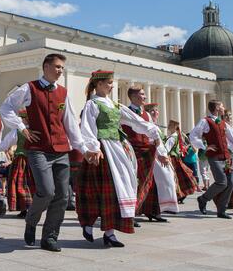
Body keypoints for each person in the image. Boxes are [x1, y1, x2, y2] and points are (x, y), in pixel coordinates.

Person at [0, 53, 90, 252]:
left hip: (61, 149)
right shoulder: (29, 88)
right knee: (47, 191)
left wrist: (82, 148)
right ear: (46, 66)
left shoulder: (63, 93)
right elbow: (6, 107)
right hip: (38, 149)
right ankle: (31, 221)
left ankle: (49, 237)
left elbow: (70, 123)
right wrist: (21, 128)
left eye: (62, 68)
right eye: (57, 67)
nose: (60, 71)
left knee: (62, 196)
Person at [75, 70, 163, 247]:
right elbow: (88, 128)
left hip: (117, 149)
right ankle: (88, 224)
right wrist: (93, 148)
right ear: (99, 84)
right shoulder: (93, 104)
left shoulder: (116, 105)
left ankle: (110, 233)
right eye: (108, 82)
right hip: (101, 151)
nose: (111, 85)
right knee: (94, 189)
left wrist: (153, 131)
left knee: (116, 190)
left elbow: (135, 121)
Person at [123, 87, 170, 223]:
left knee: (151, 181)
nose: (145, 97)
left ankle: (152, 211)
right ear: (133, 97)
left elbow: (153, 135)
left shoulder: (147, 115)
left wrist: (161, 153)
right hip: (132, 151)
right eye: (142, 94)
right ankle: (130, 215)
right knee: (134, 183)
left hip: (147, 151)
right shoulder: (126, 112)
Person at [189, 100, 233, 219]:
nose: (224, 108)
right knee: (222, 182)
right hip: (214, 156)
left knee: (229, 183)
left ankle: (222, 210)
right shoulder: (205, 121)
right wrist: (204, 146)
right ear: (217, 108)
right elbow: (193, 135)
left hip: (226, 156)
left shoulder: (223, 123)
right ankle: (203, 199)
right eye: (222, 106)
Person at [144, 103, 178, 216]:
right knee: (158, 183)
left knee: (163, 182)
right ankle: (154, 211)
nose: (155, 112)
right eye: (151, 111)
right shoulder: (147, 125)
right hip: (153, 157)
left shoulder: (156, 127)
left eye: (156, 110)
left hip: (160, 156)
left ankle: (157, 210)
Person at [2, 110, 35, 218]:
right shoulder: (35, 130)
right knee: (31, 184)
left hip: (21, 160)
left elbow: (4, 145)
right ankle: (31, 208)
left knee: (19, 184)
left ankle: (24, 209)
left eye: (21, 117)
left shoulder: (17, 131)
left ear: (24, 118)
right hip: (34, 160)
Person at [165, 120, 198, 202]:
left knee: (173, 179)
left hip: (172, 159)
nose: (168, 126)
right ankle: (179, 195)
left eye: (170, 124)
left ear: (175, 126)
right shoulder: (176, 136)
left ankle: (176, 195)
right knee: (177, 178)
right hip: (176, 159)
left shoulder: (172, 137)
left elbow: (166, 149)